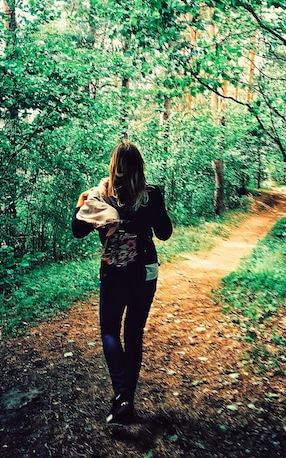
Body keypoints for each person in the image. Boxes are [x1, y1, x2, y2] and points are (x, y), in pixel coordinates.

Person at [72, 140, 173, 424]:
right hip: (144, 272)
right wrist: (157, 208)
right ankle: (125, 398)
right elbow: (164, 233)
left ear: (113, 166)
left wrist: (83, 204)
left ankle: (122, 397)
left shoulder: (98, 196)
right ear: (139, 167)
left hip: (114, 273)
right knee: (134, 333)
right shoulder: (151, 195)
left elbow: (77, 230)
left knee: (110, 333)